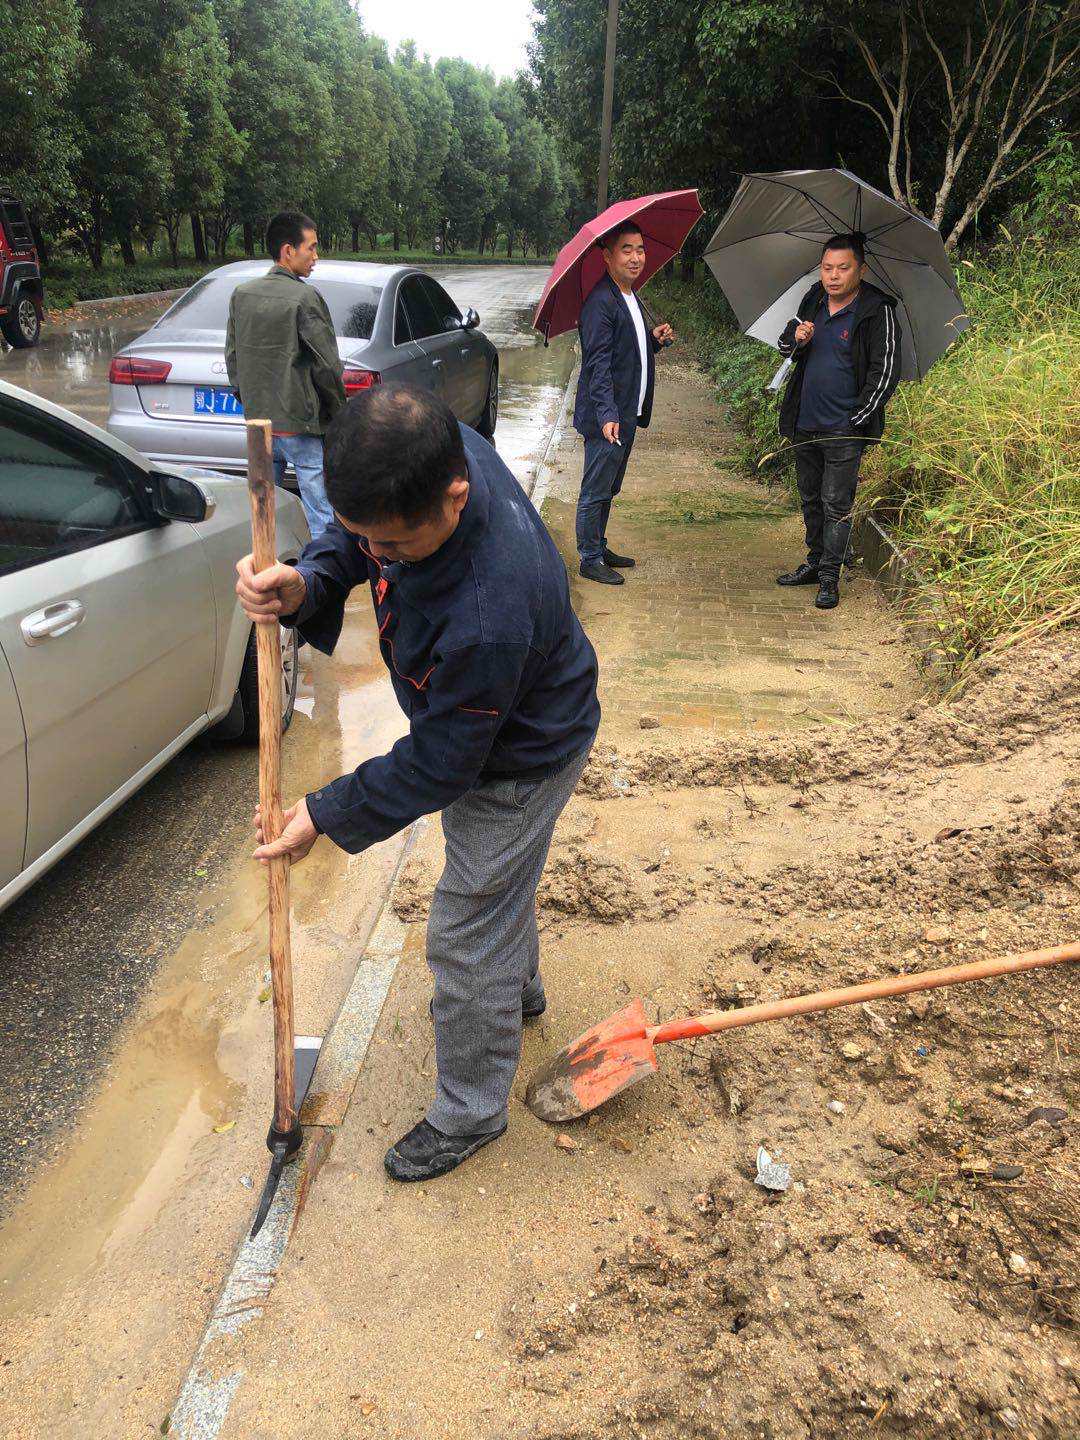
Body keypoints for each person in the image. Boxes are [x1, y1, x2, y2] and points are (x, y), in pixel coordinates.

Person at [235, 384, 600, 1182]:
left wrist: (324, 813)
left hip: (523, 755)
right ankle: (520, 991)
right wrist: (306, 583)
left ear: (455, 495)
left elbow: (444, 764)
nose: (382, 556)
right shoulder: (421, 459)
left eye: (395, 547)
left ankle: (472, 1109)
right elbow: (353, 538)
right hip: (490, 720)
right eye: (375, 540)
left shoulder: (489, 610)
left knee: (466, 930)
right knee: (498, 887)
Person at [775, 233, 902, 610]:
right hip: (805, 421)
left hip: (844, 427)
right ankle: (815, 562)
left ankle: (831, 576)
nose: (833, 275)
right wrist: (796, 337)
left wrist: (857, 419)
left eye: (842, 268)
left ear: (860, 269)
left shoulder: (877, 309)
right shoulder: (813, 298)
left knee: (836, 503)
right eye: (827, 267)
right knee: (811, 498)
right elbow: (787, 348)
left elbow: (886, 369)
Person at [226, 210, 345, 537]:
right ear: (288, 250)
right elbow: (327, 365)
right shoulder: (305, 298)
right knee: (321, 513)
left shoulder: (242, 294)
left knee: (263, 508)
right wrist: (338, 413)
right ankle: (323, 574)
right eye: (312, 247)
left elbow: (233, 358)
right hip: (300, 425)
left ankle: (267, 570)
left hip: (257, 426)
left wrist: (248, 402)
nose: (316, 257)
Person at [572, 221, 675, 586]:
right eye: (626, 250)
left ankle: (599, 545)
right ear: (607, 256)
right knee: (595, 487)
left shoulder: (629, 295)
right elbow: (597, 363)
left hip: (627, 411)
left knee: (610, 486)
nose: (635, 257)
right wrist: (606, 414)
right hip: (609, 416)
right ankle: (588, 557)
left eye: (640, 250)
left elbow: (626, 352)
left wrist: (654, 341)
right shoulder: (600, 303)